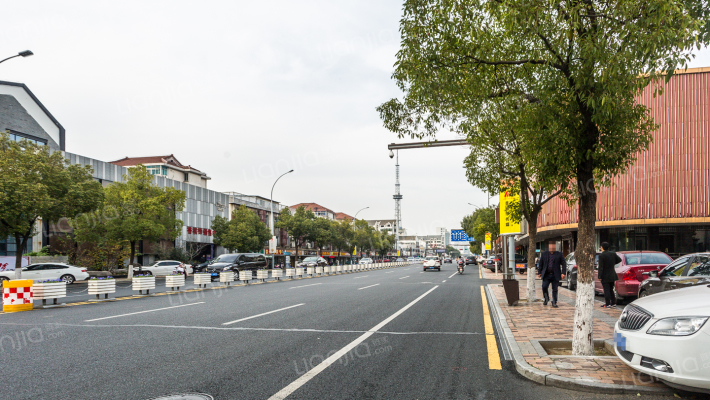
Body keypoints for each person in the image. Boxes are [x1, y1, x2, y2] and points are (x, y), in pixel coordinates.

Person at [536, 242, 566, 308]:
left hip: (556, 275)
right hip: (546, 275)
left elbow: (564, 264)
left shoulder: (559, 254)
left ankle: (554, 302)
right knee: (544, 287)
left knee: (555, 289)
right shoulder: (544, 254)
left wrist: (563, 273)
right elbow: (541, 264)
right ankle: (546, 299)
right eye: (550, 246)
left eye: (553, 246)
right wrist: (539, 272)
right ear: (548, 247)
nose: (552, 248)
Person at [598, 242, 622, 308]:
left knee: (606, 290)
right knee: (611, 289)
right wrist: (612, 263)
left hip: (605, 275)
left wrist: (599, 276)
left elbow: (601, 267)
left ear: (602, 247)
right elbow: (619, 260)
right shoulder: (613, 253)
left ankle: (608, 303)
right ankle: (613, 303)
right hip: (612, 274)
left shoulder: (601, 255)